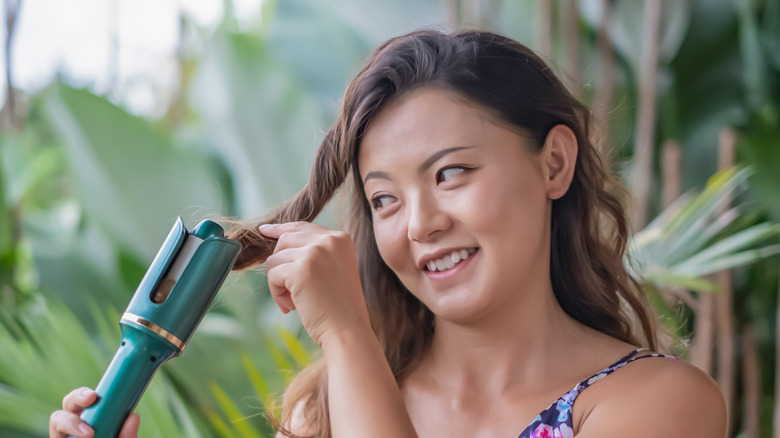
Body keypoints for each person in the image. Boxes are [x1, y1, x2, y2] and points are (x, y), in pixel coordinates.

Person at [50, 29, 727, 438]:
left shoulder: (656, 405)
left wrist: (348, 334)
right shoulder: (324, 409)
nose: (421, 224)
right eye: (383, 199)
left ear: (553, 163)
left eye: (452, 172)